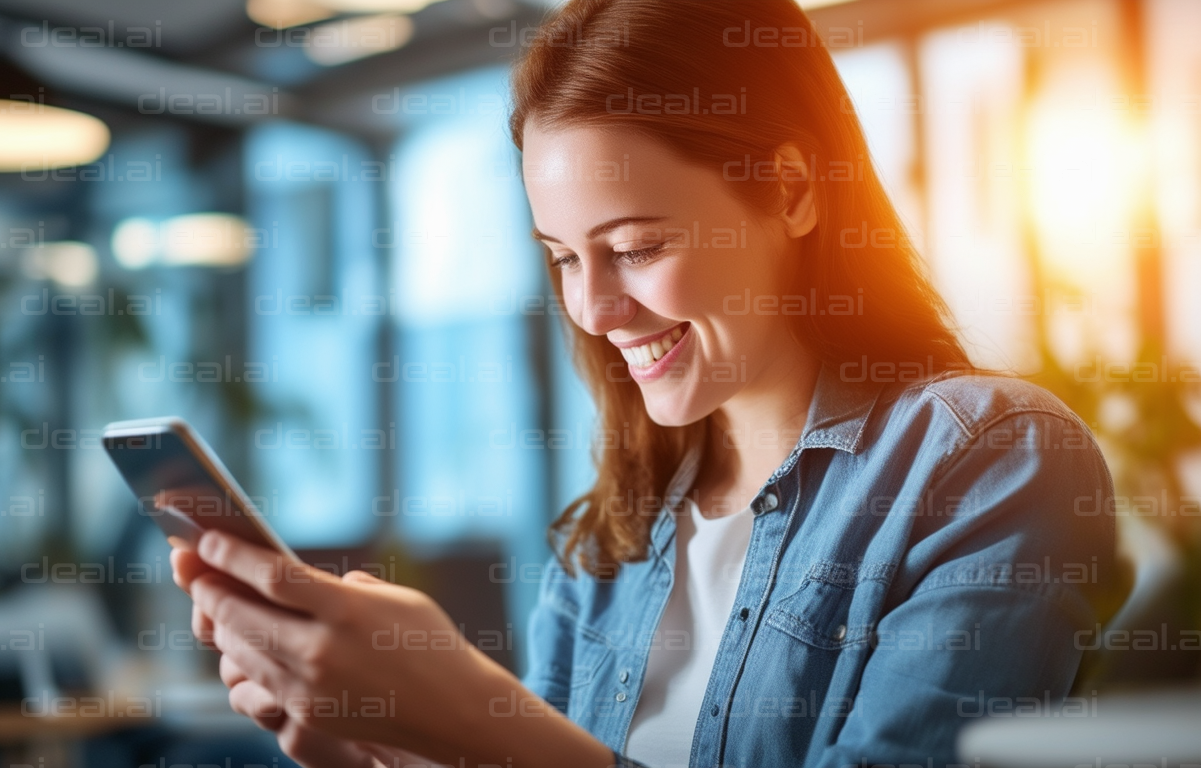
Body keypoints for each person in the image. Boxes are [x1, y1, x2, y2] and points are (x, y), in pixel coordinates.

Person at [169, 0, 1119, 765]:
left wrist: (476, 714)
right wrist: (381, 746)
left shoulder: (983, 461)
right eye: (563, 259)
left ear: (790, 191)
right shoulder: (608, 539)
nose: (593, 310)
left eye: (635, 248)